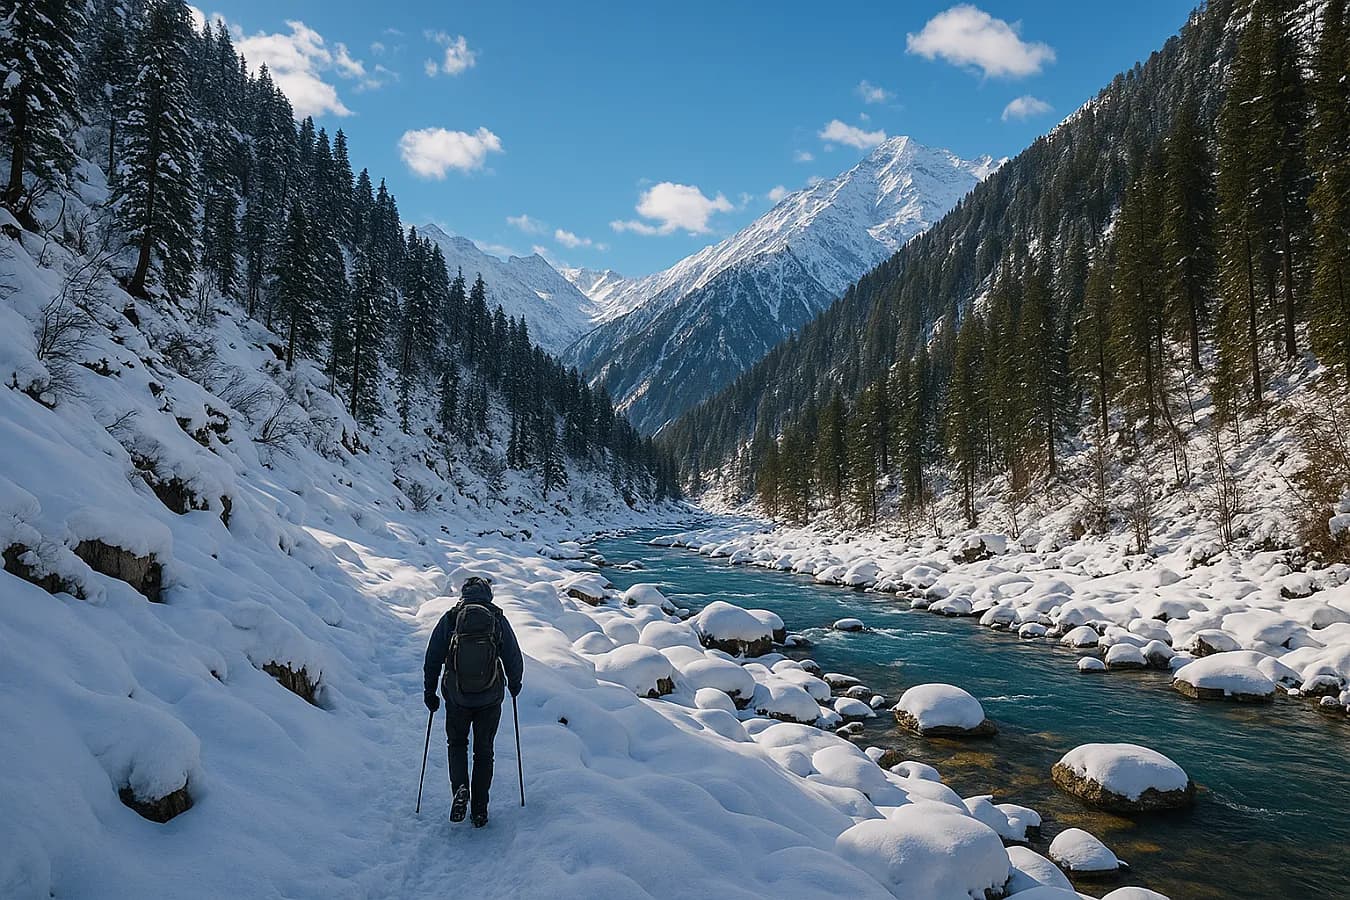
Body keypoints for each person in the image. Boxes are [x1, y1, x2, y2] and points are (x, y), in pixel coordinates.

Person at [423, 576, 523, 827]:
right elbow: (512, 655)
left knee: (456, 744)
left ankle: (460, 788)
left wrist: (429, 691)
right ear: (488, 595)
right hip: (490, 697)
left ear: (463, 594)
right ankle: (480, 809)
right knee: (484, 751)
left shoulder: (451, 618)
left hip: (457, 696)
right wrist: (515, 684)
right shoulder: (497, 618)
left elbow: (433, 657)